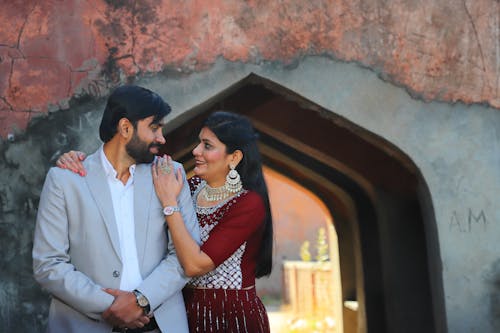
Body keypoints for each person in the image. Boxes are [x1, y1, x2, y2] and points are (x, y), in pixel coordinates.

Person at [58, 111, 274, 333]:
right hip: (177, 312)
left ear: (234, 157)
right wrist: (83, 161)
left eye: (207, 146)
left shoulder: (249, 204)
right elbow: (126, 172)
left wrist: (170, 203)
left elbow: (194, 265)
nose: (196, 151)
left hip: (229, 317)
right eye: (199, 142)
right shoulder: (190, 186)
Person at [33, 85, 199, 333]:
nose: (162, 138)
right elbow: (49, 264)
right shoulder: (65, 180)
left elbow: (186, 254)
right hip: (84, 326)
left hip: (158, 325)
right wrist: (112, 306)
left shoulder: (170, 174)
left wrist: (141, 300)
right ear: (125, 128)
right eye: (154, 128)